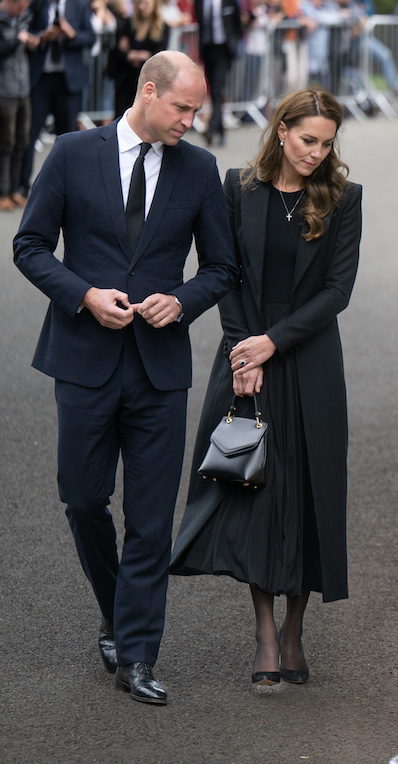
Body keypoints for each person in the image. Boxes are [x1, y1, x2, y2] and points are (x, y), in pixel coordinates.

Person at [12, 50, 238, 705]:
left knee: (149, 522)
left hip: (159, 371)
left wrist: (184, 301)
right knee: (83, 500)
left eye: (197, 110)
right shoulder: (73, 153)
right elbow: (29, 246)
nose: (191, 122)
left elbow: (222, 269)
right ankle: (117, 610)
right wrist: (83, 295)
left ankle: (136, 655)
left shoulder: (199, 170)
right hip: (82, 362)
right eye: (182, 108)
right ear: (147, 91)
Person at [170, 87, 362, 688]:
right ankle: (262, 632)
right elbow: (224, 273)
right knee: (253, 489)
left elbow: (337, 291)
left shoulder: (344, 198)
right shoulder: (237, 187)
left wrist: (272, 343)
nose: (316, 152)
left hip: (308, 359)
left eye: (327, 143)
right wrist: (242, 350)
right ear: (281, 131)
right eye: (308, 139)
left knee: (307, 491)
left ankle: (295, 630)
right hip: (245, 353)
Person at [19, 0, 95, 199]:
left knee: (68, 139)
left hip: (68, 82)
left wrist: (71, 34)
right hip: (41, 80)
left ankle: (68, 189)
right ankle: (22, 187)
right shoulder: (37, 5)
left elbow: (91, 37)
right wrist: (43, 37)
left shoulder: (80, 5)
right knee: (29, 134)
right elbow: (25, 31)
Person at [0, 0, 33, 211]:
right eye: (21, 6)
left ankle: (14, 190)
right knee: (5, 144)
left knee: (21, 142)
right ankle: (2, 192)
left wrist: (31, 41)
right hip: (5, 91)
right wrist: (16, 41)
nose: (24, 10)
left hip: (23, 89)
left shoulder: (21, 19)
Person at [109, 0, 166, 118]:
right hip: (125, 81)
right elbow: (117, 52)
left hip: (147, 83)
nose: (142, 7)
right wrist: (139, 55)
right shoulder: (128, 24)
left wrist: (130, 53)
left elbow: (157, 56)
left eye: (146, 3)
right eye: (139, 3)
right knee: (121, 118)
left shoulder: (163, 28)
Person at [196, 0, 242, 147]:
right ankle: (220, 131)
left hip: (223, 50)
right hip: (207, 49)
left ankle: (211, 129)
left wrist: (233, 45)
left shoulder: (229, 2)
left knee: (217, 89)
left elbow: (237, 24)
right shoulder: (200, 2)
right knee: (215, 92)